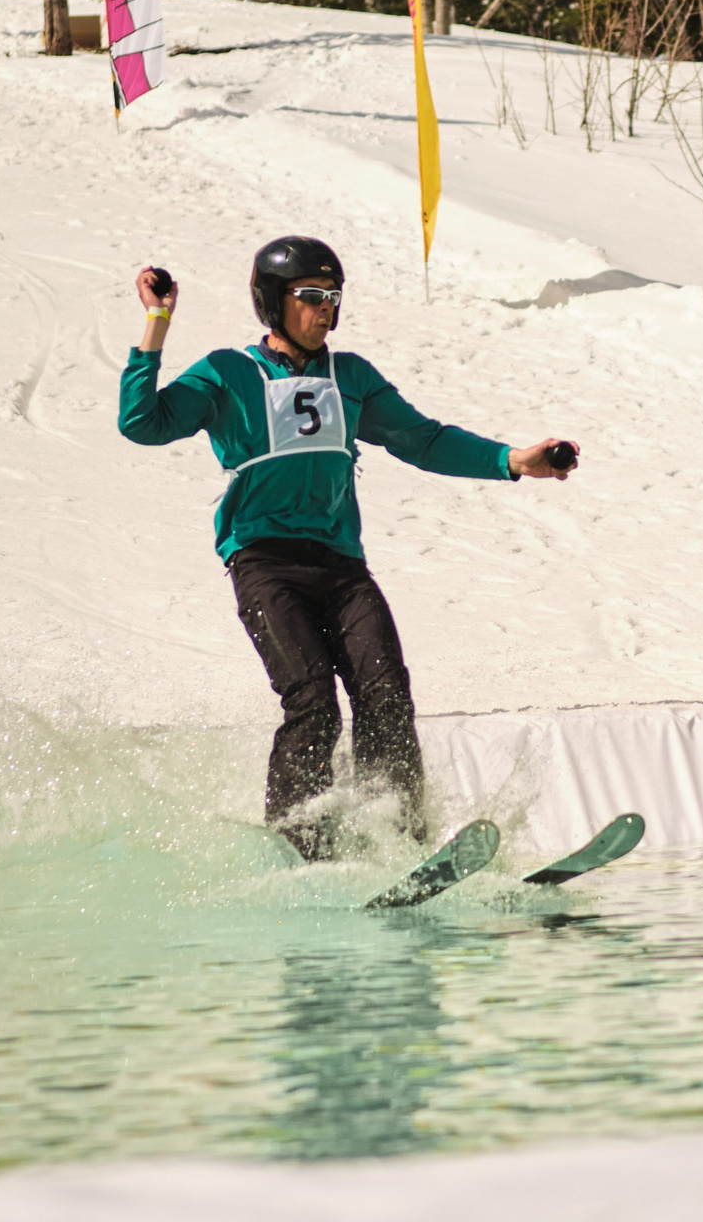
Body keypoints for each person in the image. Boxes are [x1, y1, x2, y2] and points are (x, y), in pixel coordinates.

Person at [119, 238, 578, 857]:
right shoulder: (228, 373)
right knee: (313, 703)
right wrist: (157, 323)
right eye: (310, 297)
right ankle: (301, 848)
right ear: (272, 302)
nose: (325, 310)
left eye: (332, 297)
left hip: (340, 568)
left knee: (386, 695)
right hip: (264, 565)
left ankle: (398, 841)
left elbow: (423, 439)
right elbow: (141, 422)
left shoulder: (350, 377)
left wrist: (512, 461)